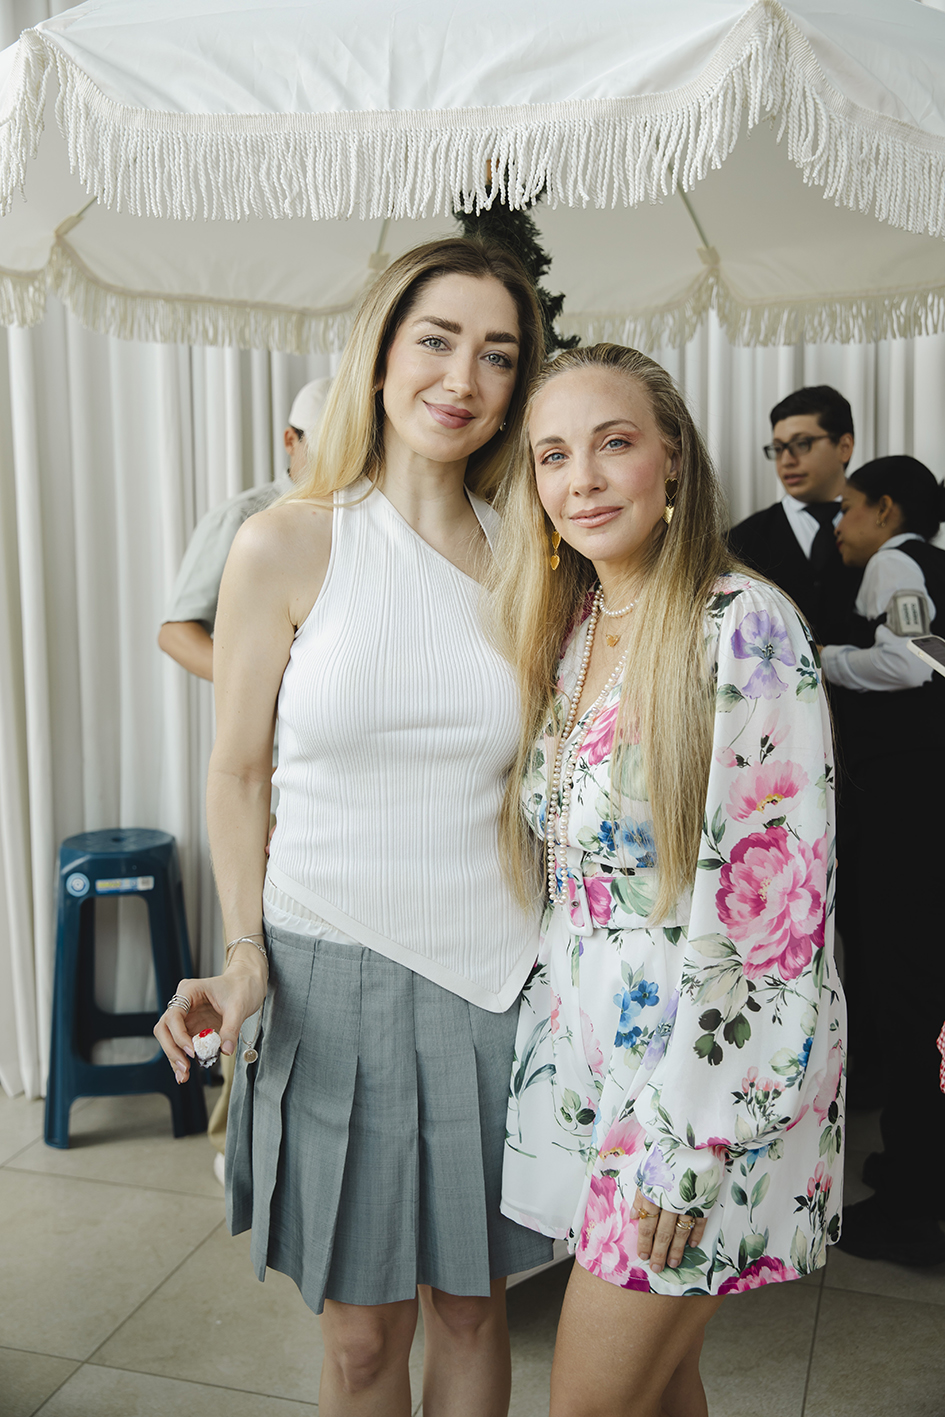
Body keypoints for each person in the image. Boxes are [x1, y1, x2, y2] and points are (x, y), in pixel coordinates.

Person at [154, 236, 552, 1417]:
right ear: (380, 355)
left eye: (498, 354)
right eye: (437, 340)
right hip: (328, 975)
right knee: (366, 1340)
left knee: (474, 1309)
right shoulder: (285, 540)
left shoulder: (535, 558)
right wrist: (243, 951)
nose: (463, 378)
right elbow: (238, 772)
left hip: (497, 976)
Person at [492, 344, 845, 1417]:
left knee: (589, 1402)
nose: (583, 480)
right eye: (554, 455)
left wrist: (693, 1137)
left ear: (674, 457)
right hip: (596, 1058)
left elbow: (777, 915)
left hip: (706, 1074)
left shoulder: (743, 624)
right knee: (658, 1387)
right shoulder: (571, 627)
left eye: (614, 443)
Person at [158, 378, 331, 1185]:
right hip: (260, 759)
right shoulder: (250, 520)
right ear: (289, 442)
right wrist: (264, 678)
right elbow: (175, 629)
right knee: (256, 941)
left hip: (322, 774)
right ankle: (241, 1134)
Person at [819, 455, 945, 1266]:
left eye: (849, 508)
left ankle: (911, 1204)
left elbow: (912, 659)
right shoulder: (926, 563)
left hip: (907, 815)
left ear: (885, 509)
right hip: (922, 810)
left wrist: (821, 657)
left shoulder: (894, 563)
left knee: (908, 1002)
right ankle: (912, 1169)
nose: (839, 525)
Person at [158, 378, 332, 680]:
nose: (337, 463)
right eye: (324, 450)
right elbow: (177, 633)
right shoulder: (238, 519)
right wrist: (263, 689)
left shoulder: (366, 517)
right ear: (290, 441)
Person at [728, 385, 862, 645]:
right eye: (778, 448)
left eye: (802, 444)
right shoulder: (739, 542)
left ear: (844, 447)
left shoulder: (887, 532)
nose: (786, 460)